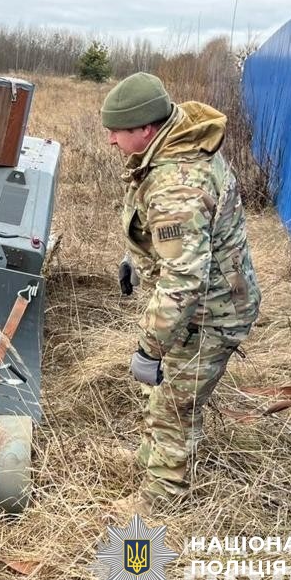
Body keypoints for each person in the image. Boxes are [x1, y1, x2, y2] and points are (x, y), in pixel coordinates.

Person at [101, 72, 261, 516]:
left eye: (118, 131)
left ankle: (162, 495)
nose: (111, 141)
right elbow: (172, 239)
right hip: (201, 302)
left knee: (175, 400)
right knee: (169, 389)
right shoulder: (171, 147)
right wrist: (135, 258)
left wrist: (149, 347)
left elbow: (185, 278)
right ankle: (151, 455)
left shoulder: (178, 183)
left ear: (146, 129)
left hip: (209, 313)